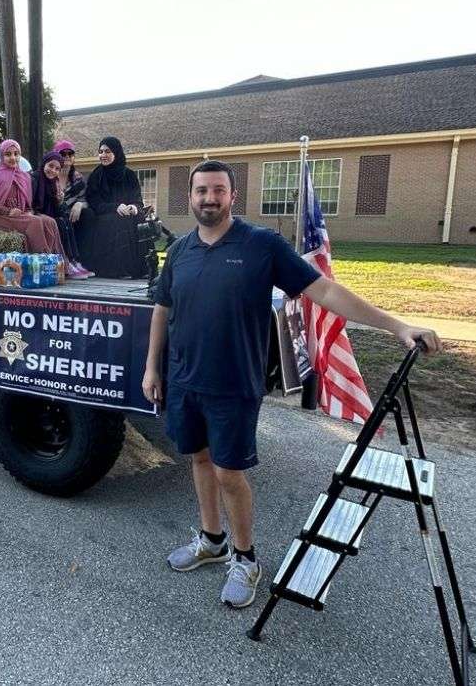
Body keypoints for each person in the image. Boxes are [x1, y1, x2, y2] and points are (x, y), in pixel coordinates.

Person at [141, 159, 441, 610]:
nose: (209, 198)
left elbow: (327, 292)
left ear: (232, 196)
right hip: (184, 379)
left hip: (234, 383)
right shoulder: (180, 251)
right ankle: (211, 540)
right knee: (198, 459)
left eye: (218, 190)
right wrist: (152, 369)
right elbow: (163, 309)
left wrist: (396, 326)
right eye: (201, 190)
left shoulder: (261, 245)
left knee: (229, 472)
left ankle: (245, 559)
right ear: (190, 196)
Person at [0, 139, 67, 258]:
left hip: (20, 215)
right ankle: (41, 262)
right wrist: (8, 211)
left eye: (16, 154)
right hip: (0, 217)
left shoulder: (24, 176)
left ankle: (57, 262)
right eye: (8, 154)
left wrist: (28, 211)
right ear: (2, 156)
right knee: (35, 222)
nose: (13, 158)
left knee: (50, 222)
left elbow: (27, 203)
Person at [77, 136, 147, 279]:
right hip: (103, 216)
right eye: (101, 152)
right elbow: (94, 202)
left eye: (107, 151)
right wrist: (115, 207)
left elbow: (138, 201)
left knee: (138, 218)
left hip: (127, 214)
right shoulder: (97, 176)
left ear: (116, 152)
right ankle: (118, 271)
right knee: (117, 220)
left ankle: (140, 269)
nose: (103, 155)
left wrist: (134, 207)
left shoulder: (129, 175)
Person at [32, 151, 93, 279]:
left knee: (65, 220)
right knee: (59, 222)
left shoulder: (54, 184)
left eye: (57, 169)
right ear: (44, 164)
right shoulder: (35, 178)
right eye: (50, 166)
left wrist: (60, 201)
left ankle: (74, 260)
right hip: (36, 216)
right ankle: (67, 262)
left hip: (49, 215)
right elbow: (31, 203)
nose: (53, 170)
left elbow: (59, 210)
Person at [52, 140, 88, 225]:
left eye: (70, 153)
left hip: (72, 218)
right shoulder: (50, 175)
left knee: (88, 214)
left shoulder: (78, 179)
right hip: (53, 215)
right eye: (63, 154)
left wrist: (80, 204)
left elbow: (86, 199)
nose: (67, 156)